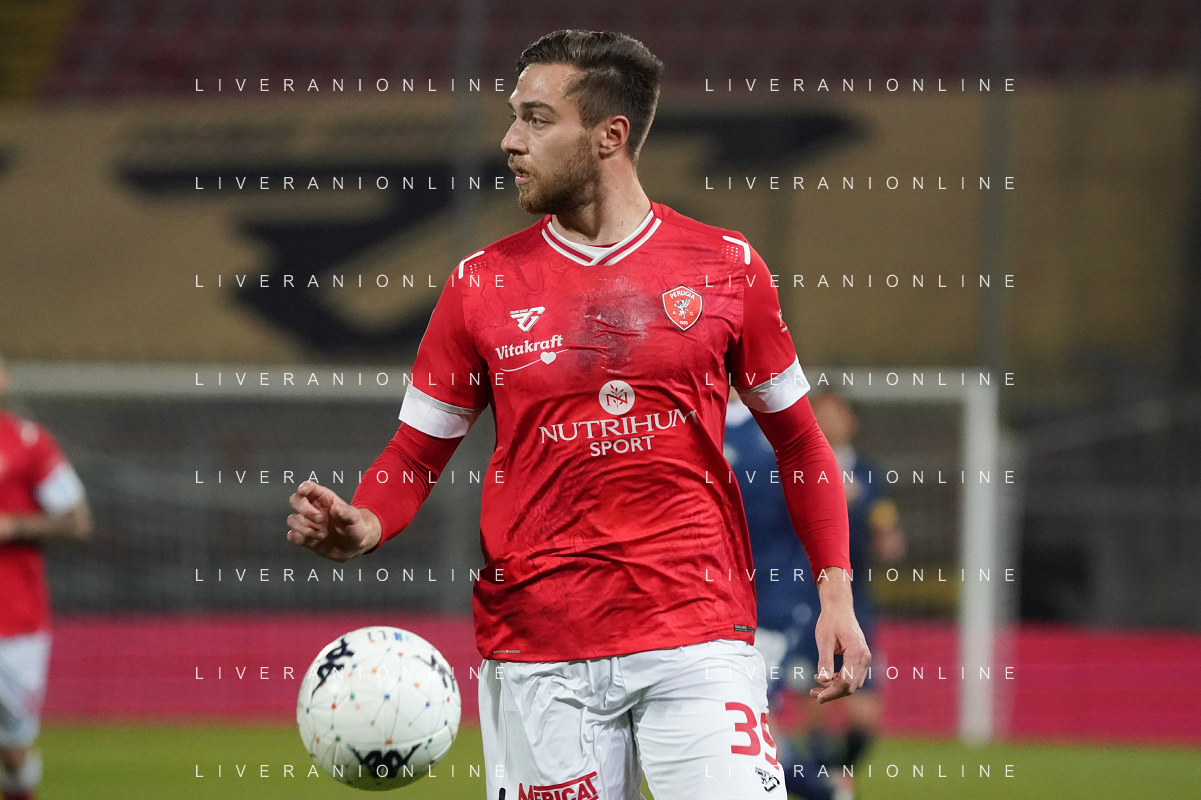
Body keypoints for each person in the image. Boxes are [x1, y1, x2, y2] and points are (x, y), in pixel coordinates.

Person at [286, 30, 870, 800]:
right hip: (538, 647)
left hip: (695, 632)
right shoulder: (478, 286)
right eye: (513, 117)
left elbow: (799, 442)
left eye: (535, 119)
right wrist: (366, 520)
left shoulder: (725, 268)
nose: (509, 140)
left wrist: (836, 592)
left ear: (608, 135)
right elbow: (415, 454)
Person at [726, 391, 903, 800]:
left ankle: (827, 785)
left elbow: (881, 526)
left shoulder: (789, 438)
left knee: (753, 714)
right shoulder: (699, 421)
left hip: (794, 603)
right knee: (763, 712)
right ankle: (826, 785)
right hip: (731, 599)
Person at [0, 356, 92, 800]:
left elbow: (77, 520)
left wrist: (14, 526)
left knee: (13, 749)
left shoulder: (28, 443)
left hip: (15, 623)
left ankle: (20, 784)